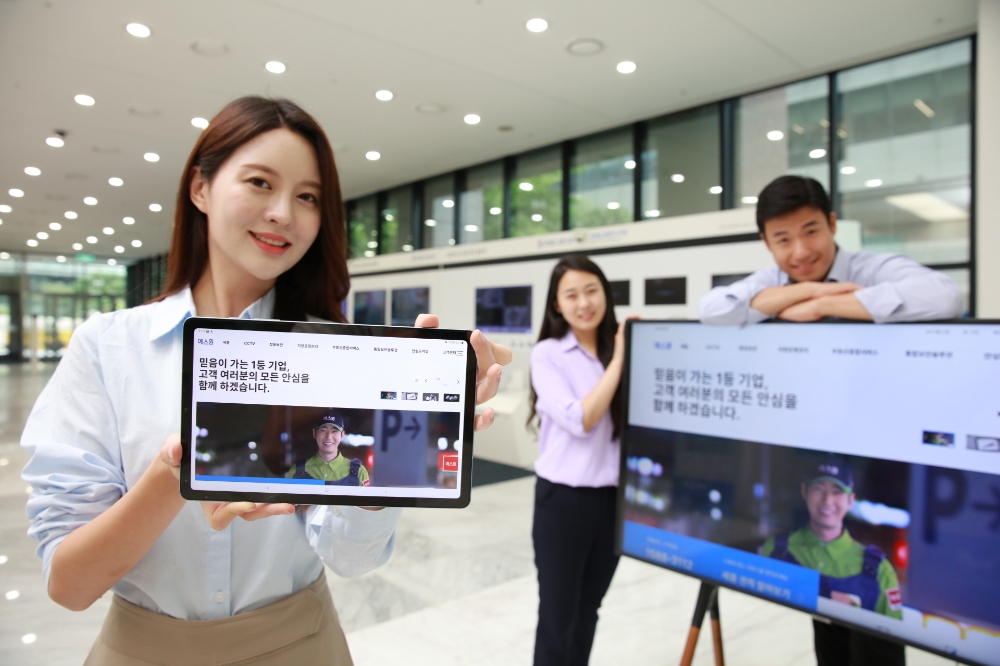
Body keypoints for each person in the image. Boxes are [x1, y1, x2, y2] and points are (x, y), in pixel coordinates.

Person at [21, 96, 510, 666]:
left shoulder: (337, 355)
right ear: (200, 188)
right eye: (260, 182)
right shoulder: (109, 347)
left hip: (303, 646)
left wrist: (391, 456)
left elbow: (352, 559)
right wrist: (176, 473)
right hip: (140, 650)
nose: (283, 213)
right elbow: (70, 584)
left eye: (308, 197)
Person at [528, 254, 634, 666]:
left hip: (612, 501)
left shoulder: (617, 349)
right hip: (563, 503)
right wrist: (621, 358)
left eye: (592, 290)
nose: (584, 302)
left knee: (589, 610)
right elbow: (580, 420)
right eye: (571, 295)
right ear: (557, 304)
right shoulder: (548, 354)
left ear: (605, 294)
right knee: (557, 617)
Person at [699, 175, 962, 326]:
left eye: (811, 232)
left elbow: (945, 296)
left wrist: (822, 305)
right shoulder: (770, 280)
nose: (801, 252)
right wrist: (810, 290)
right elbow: (712, 310)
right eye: (783, 240)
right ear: (767, 243)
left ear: (832, 224)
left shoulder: (872, 269)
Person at [761, 458, 904, 666]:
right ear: (804, 491)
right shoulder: (776, 549)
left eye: (837, 491)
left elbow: (891, 649)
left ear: (850, 500)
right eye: (819, 488)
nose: (827, 500)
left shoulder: (879, 570)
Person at [286, 411, 370, 486]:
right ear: (314, 433)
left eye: (334, 431)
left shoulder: (359, 472)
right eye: (323, 430)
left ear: (342, 435)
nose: (329, 437)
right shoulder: (296, 471)